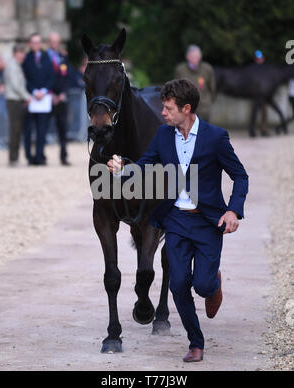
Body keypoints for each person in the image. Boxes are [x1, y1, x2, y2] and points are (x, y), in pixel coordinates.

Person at [107, 79, 249, 362]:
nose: (162, 112)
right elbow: (145, 166)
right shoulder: (162, 136)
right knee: (178, 284)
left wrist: (233, 210)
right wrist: (123, 170)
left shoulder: (215, 137)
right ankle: (196, 342)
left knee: (203, 285)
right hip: (175, 221)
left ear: (186, 109)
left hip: (208, 222)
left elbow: (240, 176)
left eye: (168, 108)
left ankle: (213, 284)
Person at [22, 33, 55, 165]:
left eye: (38, 42)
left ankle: (40, 156)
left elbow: (51, 77)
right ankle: (29, 156)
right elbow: (25, 78)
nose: (36, 44)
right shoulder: (26, 59)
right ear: (30, 44)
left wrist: (44, 90)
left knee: (42, 130)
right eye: (33, 42)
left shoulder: (47, 57)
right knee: (29, 130)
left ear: (41, 44)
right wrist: (34, 91)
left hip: (44, 98)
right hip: (31, 98)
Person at [4, 43, 32, 166]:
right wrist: (28, 97)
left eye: (23, 53)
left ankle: (14, 157)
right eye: (20, 53)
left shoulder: (16, 66)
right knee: (14, 129)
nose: (23, 55)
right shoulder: (12, 67)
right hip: (14, 100)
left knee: (17, 129)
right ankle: (12, 158)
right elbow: (16, 86)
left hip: (17, 100)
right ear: (15, 53)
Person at [47, 32, 71, 165]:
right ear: (49, 42)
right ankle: (40, 156)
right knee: (42, 127)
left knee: (63, 129)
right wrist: (50, 93)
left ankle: (64, 156)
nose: (54, 44)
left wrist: (63, 93)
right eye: (52, 41)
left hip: (61, 98)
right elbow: (42, 77)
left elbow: (67, 77)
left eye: (57, 41)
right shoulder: (44, 57)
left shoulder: (63, 57)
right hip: (48, 97)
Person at [175, 45, 216, 121]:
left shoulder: (207, 69)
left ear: (200, 57)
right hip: (186, 110)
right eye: (192, 56)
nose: (195, 59)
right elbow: (176, 89)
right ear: (187, 57)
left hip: (204, 109)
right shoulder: (180, 70)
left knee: (204, 131)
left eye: (197, 56)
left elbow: (212, 88)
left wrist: (207, 102)